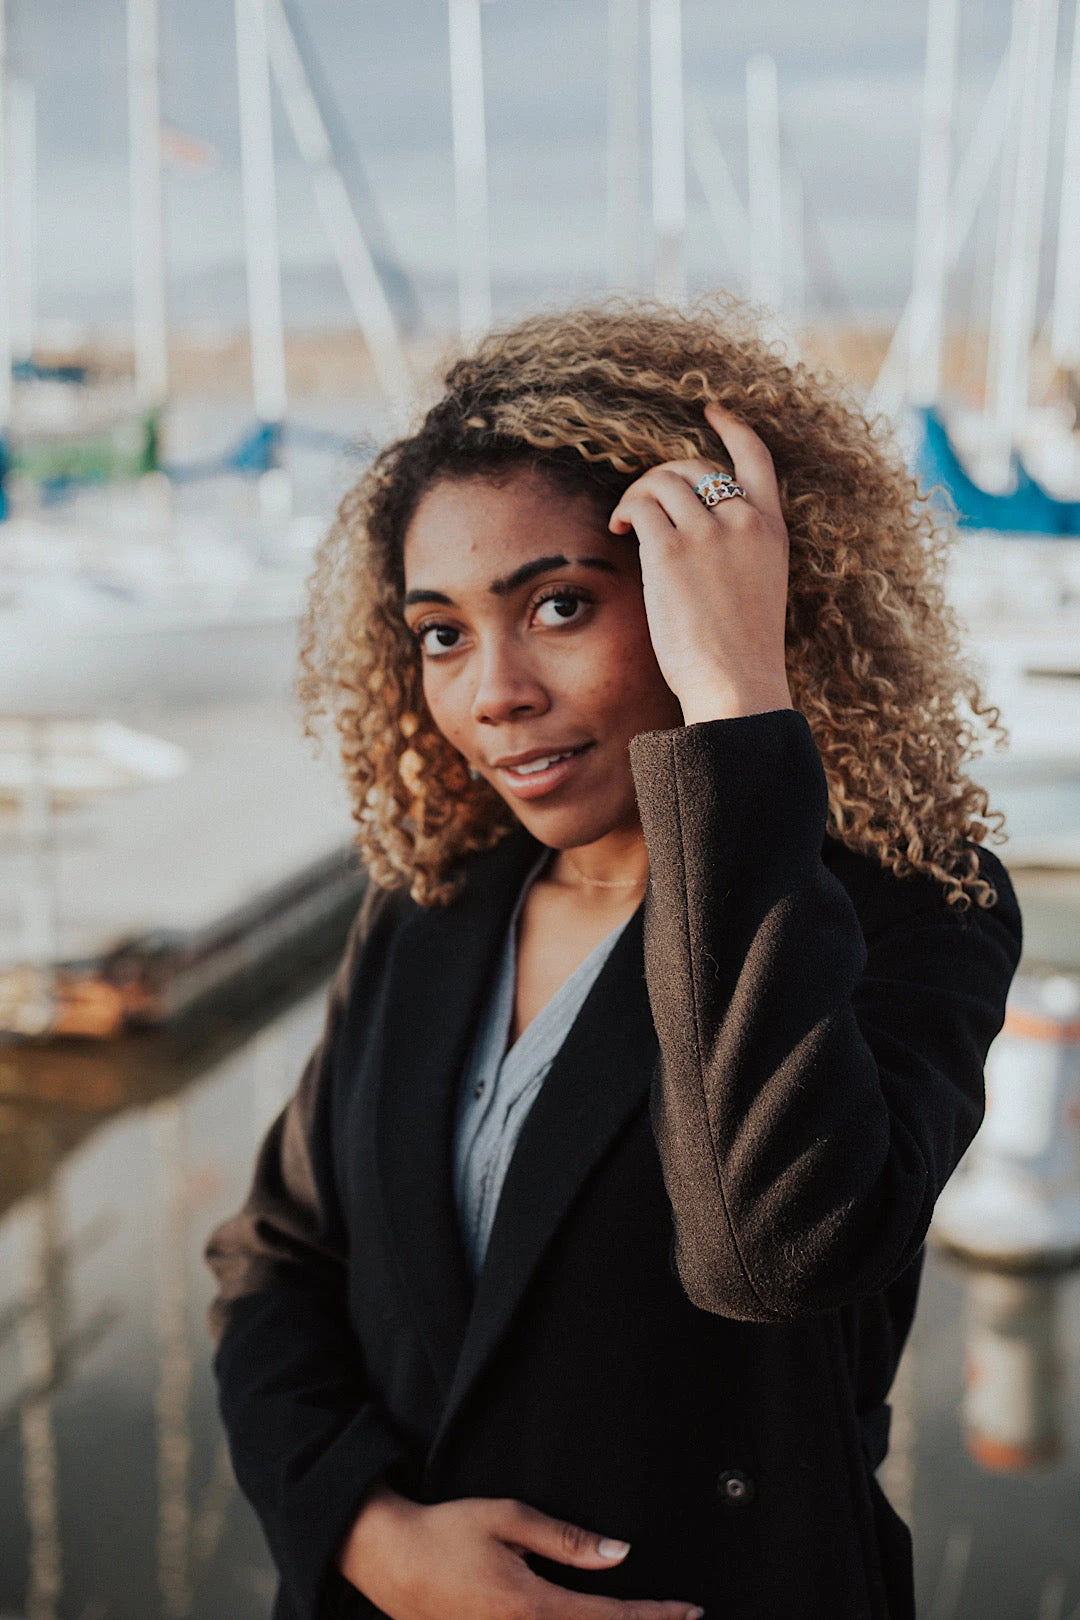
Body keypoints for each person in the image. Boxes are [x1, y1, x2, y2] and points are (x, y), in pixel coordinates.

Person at [204, 299, 1023, 1620]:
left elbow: (769, 1257)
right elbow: (275, 1262)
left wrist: (738, 708)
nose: (494, 693)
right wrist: (369, 1534)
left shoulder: (916, 910)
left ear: (725, 601)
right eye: (443, 632)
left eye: (563, 604)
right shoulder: (434, 901)